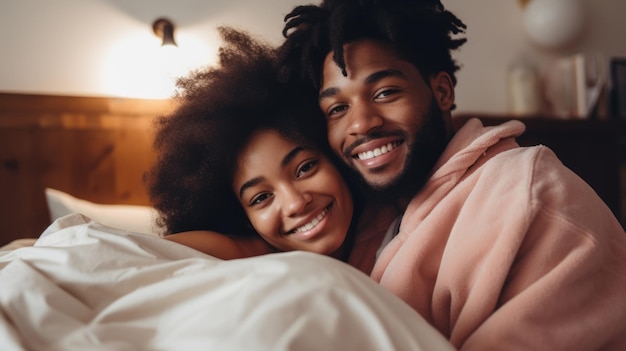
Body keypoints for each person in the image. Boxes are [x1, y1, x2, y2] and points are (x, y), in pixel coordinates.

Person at [277, 0, 626, 349]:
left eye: (385, 92)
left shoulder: (530, 194)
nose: (361, 123)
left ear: (441, 91)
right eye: (338, 109)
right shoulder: (368, 217)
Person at [145, 27, 359, 262]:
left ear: (333, 157)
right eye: (260, 198)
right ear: (245, 221)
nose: (295, 204)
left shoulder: (397, 222)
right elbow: (140, 255)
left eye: (305, 168)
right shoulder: (261, 252)